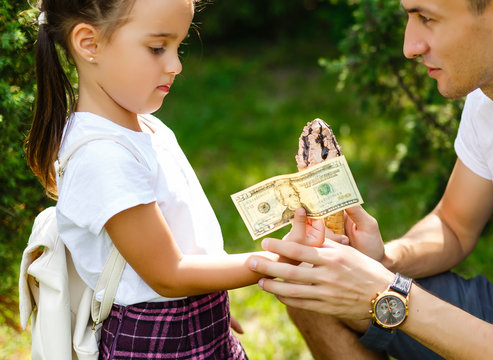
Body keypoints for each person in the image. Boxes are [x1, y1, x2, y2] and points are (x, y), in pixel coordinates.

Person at [247, 0, 493, 358]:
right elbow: (453, 224)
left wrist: (390, 295)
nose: (410, 46)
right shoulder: (490, 101)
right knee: (315, 287)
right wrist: (383, 262)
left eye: (427, 18)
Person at [25, 0, 299, 358]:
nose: (176, 65)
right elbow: (167, 274)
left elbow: (177, 248)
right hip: (158, 342)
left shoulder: (143, 126)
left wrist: (208, 304)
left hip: (192, 321)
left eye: (178, 46)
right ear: (89, 44)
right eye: (157, 48)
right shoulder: (104, 156)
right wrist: (277, 263)